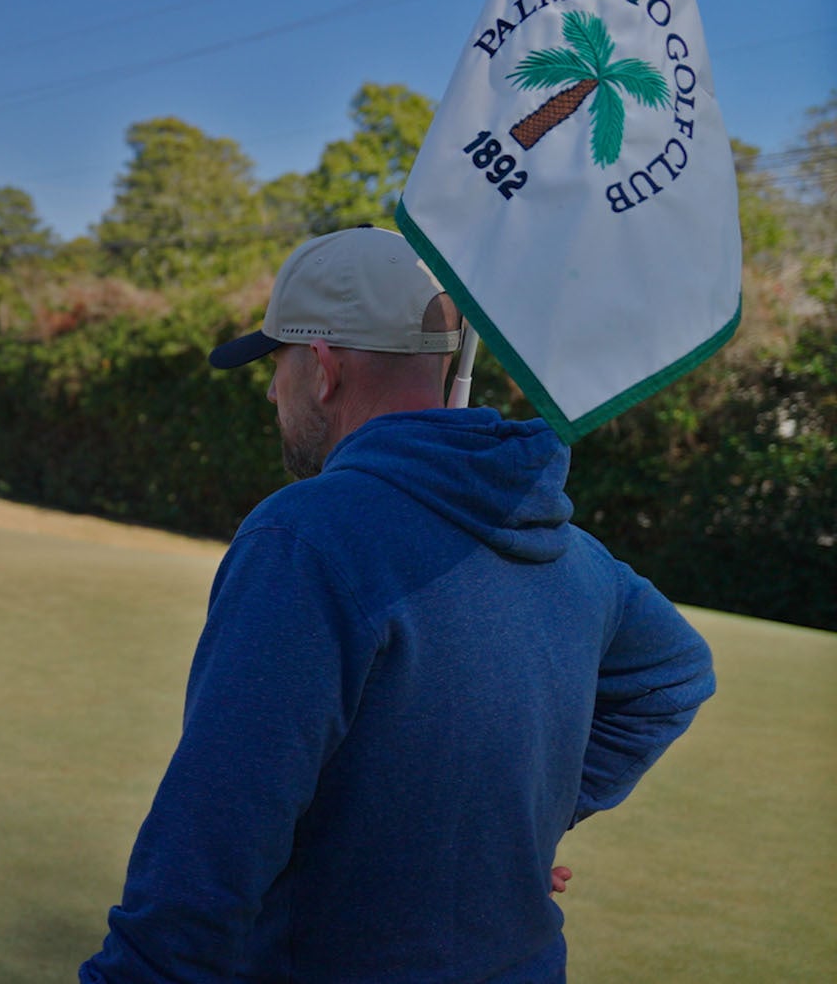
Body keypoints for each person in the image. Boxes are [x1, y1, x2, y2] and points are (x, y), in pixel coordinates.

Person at [80, 227, 715, 982]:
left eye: (277, 363)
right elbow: (674, 674)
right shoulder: (578, 556)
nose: (272, 388)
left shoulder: (306, 534)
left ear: (321, 368)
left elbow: (214, 837)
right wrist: (512, 836)